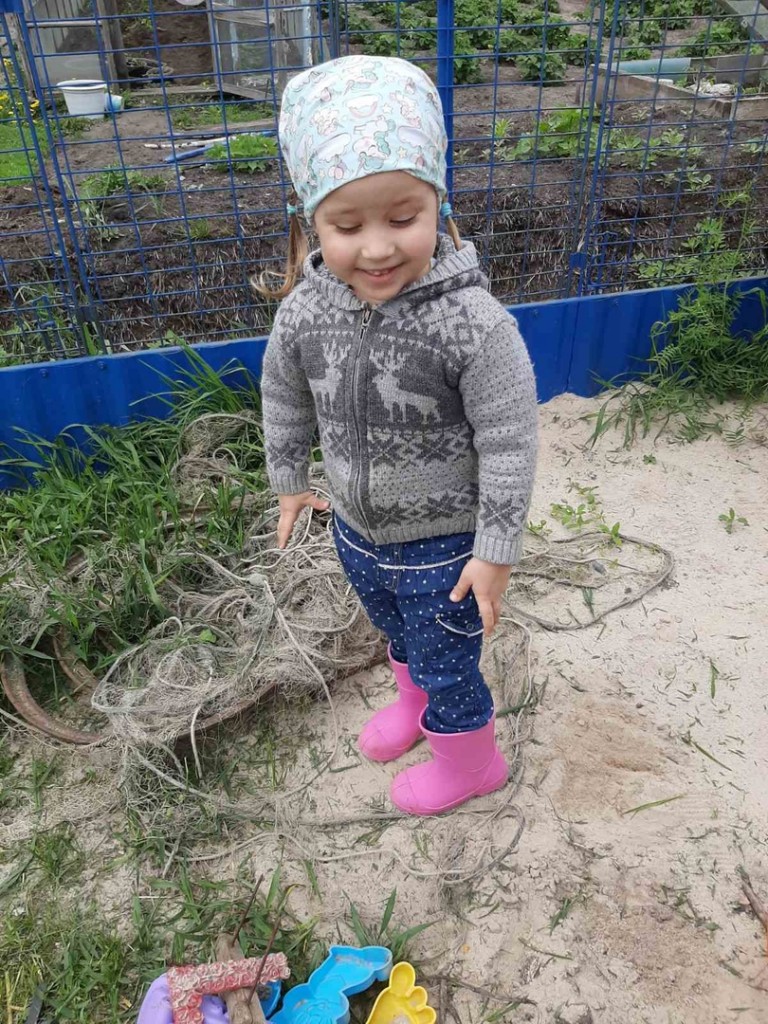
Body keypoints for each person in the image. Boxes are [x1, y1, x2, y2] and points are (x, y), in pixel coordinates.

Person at [257, 54, 538, 816]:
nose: (377, 248)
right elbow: (283, 391)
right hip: (356, 531)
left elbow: (510, 439)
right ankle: (413, 707)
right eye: (348, 226)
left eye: (403, 218)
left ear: (437, 201)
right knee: (398, 633)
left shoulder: (473, 324)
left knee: (449, 662)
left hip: (444, 549)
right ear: (312, 221)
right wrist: (289, 481)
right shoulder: (307, 310)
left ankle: (471, 762)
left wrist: (496, 550)